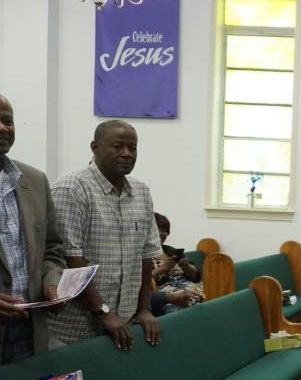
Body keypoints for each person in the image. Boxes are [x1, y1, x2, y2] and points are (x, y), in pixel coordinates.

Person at [50, 120, 161, 351]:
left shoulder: (141, 192)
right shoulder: (72, 188)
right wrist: (103, 312)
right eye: (117, 146)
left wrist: (144, 309)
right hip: (76, 329)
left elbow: (146, 256)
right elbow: (71, 259)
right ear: (95, 147)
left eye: (132, 148)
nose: (127, 153)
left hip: (125, 324)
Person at [0, 93, 65, 364]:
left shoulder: (36, 181)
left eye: (8, 121)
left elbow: (52, 248)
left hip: (30, 330)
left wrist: (51, 282)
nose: (3, 128)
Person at [150, 212, 202, 316]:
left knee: (215, 294)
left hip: (189, 286)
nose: (163, 233)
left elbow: (196, 277)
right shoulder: (141, 255)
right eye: (159, 229)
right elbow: (141, 284)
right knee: (196, 301)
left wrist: (186, 266)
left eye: (165, 231)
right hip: (166, 294)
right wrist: (161, 269)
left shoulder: (171, 251)